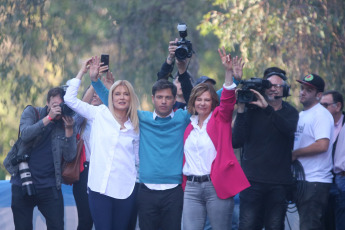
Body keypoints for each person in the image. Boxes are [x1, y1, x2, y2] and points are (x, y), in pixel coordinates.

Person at [90, 54, 193, 230]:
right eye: (159, 97)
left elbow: (203, 99)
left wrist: (233, 80)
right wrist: (95, 81)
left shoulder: (182, 118)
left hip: (174, 190)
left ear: (175, 100)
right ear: (153, 99)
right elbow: (113, 102)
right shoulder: (141, 118)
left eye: (168, 98)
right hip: (146, 190)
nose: (163, 101)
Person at [64, 58, 140, 230]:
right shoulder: (98, 114)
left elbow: (137, 159)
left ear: (131, 98)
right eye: (117, 94)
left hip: (125, 189)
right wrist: (82, 71)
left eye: (125, 94)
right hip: (99, 188)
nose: (121, 97)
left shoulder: (136, 126)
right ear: (110, 97)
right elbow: (70, 99)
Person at [182, 47, 249, 229]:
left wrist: (228, 72)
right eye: (198, 99)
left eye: (206, 100)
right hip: (192, 188)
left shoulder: (220, 118)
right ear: (193, 102)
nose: (202, 103)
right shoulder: (189, 126)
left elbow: (228, 100)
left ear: (213, 102)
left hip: (215, 185)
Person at [233, 67, 299, 230]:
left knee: (275, 226)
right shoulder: (251, 110)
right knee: (248, 225)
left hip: (279, 184)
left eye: (278, 85)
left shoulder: (291, 112)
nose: (273, 88)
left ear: (285, 89)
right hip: (251, 182)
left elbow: (288, 129)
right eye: (270, 84)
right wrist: (241, 110)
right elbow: (236, 141)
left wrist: (267, 108)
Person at [10, 87, 77, 230]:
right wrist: (49, 118)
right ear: (47, 103)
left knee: (57, 226)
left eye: (62, 105)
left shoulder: (67, 122)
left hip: (50, 186)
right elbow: (26, 134)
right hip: (23, 182)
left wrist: (69, 129)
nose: (59, 109)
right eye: (55, 105)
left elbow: (70, 156)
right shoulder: (32, 112)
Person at [293, 73, 334, 230]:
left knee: (310, 226)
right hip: (303, 179)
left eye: (308, 90)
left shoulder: (321, 114)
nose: (302, 92)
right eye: (302, 88)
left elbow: (322, 145)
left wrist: (295, 154)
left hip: (315, 181)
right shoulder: (302, 114)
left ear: (319, 95)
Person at [320, 90, 345, 230]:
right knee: (326, 220)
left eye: (325, 105)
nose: (321, 109)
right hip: (324, 180)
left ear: (338, 106)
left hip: (342, 178)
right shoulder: (319, 124)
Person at [157, 39, 193, 111]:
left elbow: (189, 95)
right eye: (178, 82)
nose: (181, 85)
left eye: (182, 82)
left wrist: (182, 68)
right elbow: (160, 85)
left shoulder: (195, 105)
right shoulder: (167, 105)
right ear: (173, 84)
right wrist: (170, 58)